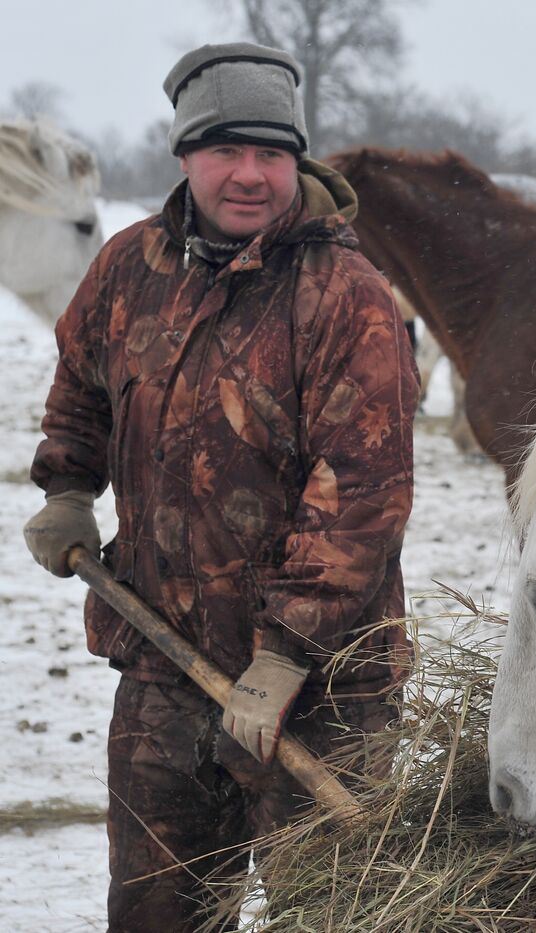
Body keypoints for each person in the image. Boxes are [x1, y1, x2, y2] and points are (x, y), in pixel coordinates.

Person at [21, 42, 418, 932]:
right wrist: (69, 486)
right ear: (185, 156)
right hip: (165, 667)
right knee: (158, 916)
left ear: (297, 161)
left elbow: (365, 487)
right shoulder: (130, 267)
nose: (249, 175)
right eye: (226, 151)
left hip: (320, 697)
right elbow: (81, 382)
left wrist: (287, 650)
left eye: (270, 154)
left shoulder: (345, 294)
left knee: (333, 918)